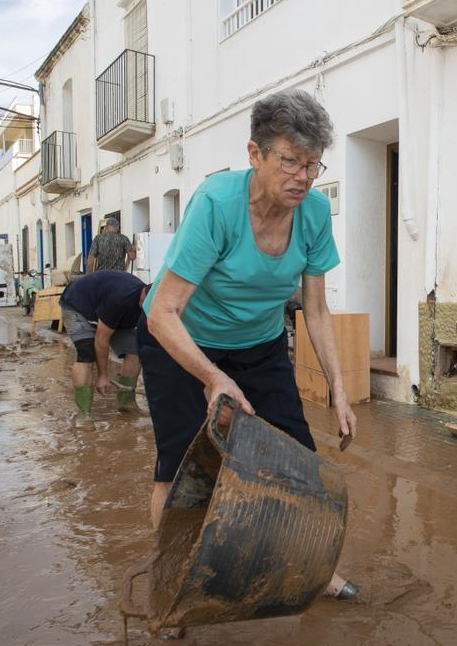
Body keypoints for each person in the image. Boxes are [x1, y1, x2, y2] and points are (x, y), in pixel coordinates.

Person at [138, 89, 360, 614]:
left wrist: (342, 392)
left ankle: (315, 571)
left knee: (300, 455)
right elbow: (161, 313)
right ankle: (170, 585)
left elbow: (317, 309)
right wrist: (212, 377)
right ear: (255, 154)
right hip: (182, 340)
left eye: (312, 164)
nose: (302, 177)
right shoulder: (217, 204)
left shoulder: (312, 213)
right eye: (290, 161)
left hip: (259, 345)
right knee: (181, 463)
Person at [58, 269, 147, 418]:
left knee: (135, 352)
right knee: (87, 353)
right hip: (77, 305)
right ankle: (83, 415)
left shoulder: (149, 301)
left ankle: (126, 404)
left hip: (111, 311)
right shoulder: (120, 298)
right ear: (144, 298)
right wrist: (102, 376)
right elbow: (101, 340)